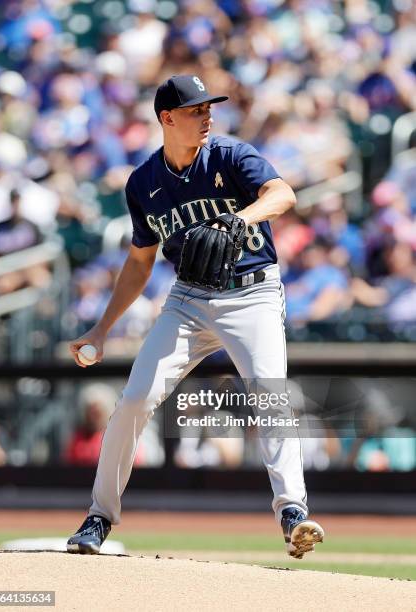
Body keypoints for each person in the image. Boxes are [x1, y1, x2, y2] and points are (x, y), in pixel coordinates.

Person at [66, 75, 324, 558]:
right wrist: (102, 329)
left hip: (253, 293)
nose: (207, 116)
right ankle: (99, 517)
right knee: (135, 399)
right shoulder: (144, 182)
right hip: (187, 299)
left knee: (269, 394)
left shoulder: (230, 156)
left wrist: (240, 217)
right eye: (195, 110)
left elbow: (283, 194)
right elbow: (140, 261)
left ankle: (293, 513)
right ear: (167, 118)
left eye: (209, 108)